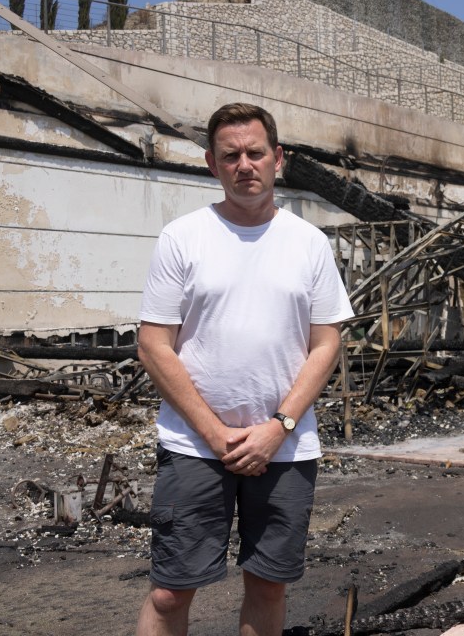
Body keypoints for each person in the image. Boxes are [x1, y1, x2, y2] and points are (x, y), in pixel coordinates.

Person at [135, 102, 354, 636]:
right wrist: (215, 434)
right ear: (212, 164)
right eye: (231, 155)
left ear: (279, 159)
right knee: (169, 591)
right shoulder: (182, 238)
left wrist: (276, 428)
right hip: (194, 445)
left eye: (256, 153)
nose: (245, 165)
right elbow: (152, 344)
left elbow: (326, 343)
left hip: (285, 446)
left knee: (268, 585)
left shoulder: (308, 243)